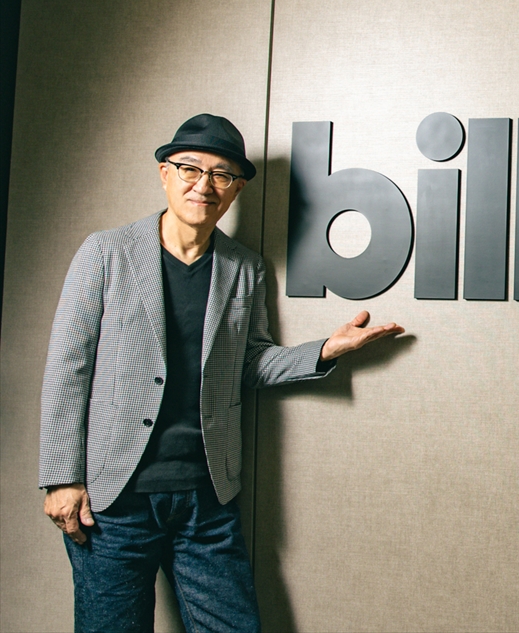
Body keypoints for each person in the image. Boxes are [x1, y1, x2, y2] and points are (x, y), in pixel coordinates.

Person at [38, 114, 404, 633]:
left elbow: (250, 362)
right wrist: (62, 479)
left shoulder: (245, 268)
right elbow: (67, 367)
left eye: (221, 175)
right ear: (165, 173)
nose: (203, 185)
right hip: (114, 500)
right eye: (190, 169)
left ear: (236, 190)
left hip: (207, 498)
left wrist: (325, 350)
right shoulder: (106, 253)